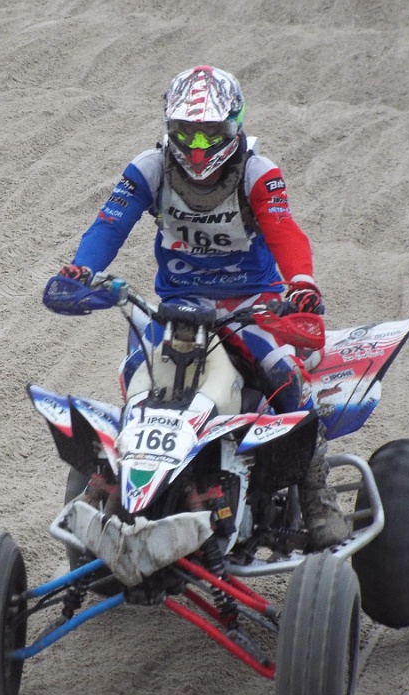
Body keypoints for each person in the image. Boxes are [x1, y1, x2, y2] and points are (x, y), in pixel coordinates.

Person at [45, 65, 348, 549]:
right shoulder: (149, 168)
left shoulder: (257, 172)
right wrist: (81, 271)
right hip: (176, 307)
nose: (199, 148)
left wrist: (302, 284)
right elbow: (109, 224)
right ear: (169, 130)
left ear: (234, 125)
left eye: (210, 133)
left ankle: (317, 494)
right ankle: (127, 490)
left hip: (253, 305)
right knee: (137, 380)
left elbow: (284, 230)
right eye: (187, 133)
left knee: (284, 376)